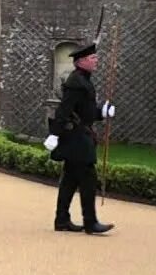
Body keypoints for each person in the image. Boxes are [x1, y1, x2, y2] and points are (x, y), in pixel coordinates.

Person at [45, 42, 115, 235]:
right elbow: (64, 110)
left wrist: (102, 111)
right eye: (93, 58)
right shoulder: (76, 82)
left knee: (69, 180)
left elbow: (86, 111)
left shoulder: (83, 80)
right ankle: (90, 222)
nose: (96, 61)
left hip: (79, 135)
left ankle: (61, 219)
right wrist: (54, 134)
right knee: (88, 180)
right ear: (82, 61)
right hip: (77, 139)